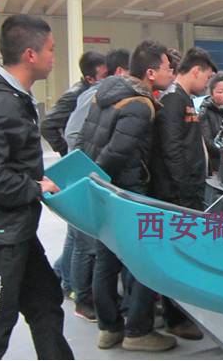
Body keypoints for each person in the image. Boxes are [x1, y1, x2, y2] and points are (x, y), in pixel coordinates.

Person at [0, 14, 74, 360]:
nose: (54, 57)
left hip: (15, 228)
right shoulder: (1, 103)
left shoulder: (15, 97)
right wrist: (35, 187)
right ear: (30, 54)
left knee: (45, 303)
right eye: (51, 49)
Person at [75, 40, 176, 352]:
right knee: (144, 260)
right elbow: (117, 152)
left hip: (104, 193)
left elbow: (85, 139)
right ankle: (138, 331)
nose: (171, 73)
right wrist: (103, 181)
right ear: (150, 73)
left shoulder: (106, 93)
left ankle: (109, 329)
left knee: (106, 260)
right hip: (126, 193)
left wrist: (91, 180)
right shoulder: (140, 104)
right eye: (167, 68)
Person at [61, 47, 131, 323]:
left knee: (87, 241)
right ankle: (83, 298)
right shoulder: (94, 95)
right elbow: (72, 134)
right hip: (85, 176)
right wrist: (87, 163)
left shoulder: (110, 94)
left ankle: (71, 284)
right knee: (84, 243)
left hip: (92, 175)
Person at [43, 51, 106, 300]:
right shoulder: (78, 95)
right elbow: (50, 126)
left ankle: (63, 278)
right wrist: (68, 155)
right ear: (90, 79)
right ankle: (73, 286)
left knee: (75, 232)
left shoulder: (89, 91)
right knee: (80, 237)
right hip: (77, 167)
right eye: (104, 75)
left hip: (79, 164)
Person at [150, 47, 217, 210]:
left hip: (190, 189)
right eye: (207, 77)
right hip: (178, 197)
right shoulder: (172, 100)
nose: (207, 84)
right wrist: (187, 196)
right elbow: (172, 150)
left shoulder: (183, 98)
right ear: (196, 71)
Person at [41, 50, 107, 157]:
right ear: (90, 79)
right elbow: (47, 125)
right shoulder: (75, 95)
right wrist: (65, 151)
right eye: (105, 75)